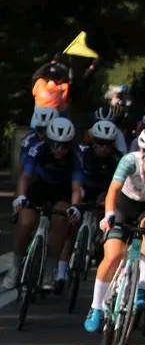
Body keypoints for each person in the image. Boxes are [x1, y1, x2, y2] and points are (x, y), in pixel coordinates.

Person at [82, 126, 145, 332]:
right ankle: (96, 308)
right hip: (123, 205)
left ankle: (142, 289)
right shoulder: (129, 161)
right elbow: (113, 190)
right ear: (143, 152)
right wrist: (109, 214)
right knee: (113, 255)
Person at [8, 118, 83, 292]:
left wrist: (75, 206)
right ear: (48, 141)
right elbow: (25, 177)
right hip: (39, 187)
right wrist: (20, 197)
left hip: (62, 191)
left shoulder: (76, 155)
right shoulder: (38, 149)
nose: (59, 150)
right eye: (55, 145)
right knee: (25, 222)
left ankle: (50, 269)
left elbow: (76, 187)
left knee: (61, 221)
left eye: (64, 146)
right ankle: (15, 267)